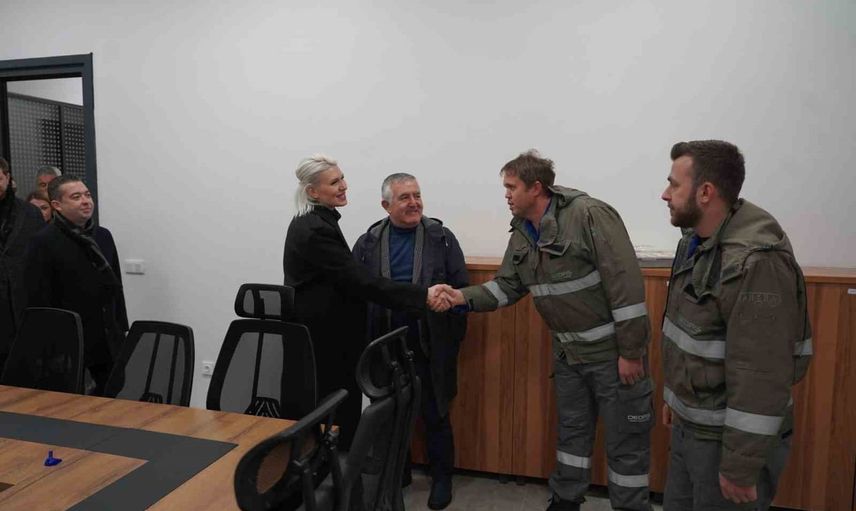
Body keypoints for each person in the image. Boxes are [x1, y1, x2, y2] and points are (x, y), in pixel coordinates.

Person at [439, 150, 652, 511]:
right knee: (572, 434)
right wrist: (460, 297)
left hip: (613, 356)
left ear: (536, 188)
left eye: (512, 187)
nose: (506, 195)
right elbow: (507, 287)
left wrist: (631, 353)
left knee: (625, 441)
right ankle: (566, 500)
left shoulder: (589, 215)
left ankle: (630, 506)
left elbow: (625, 287)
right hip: (569, 358)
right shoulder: (523, 231)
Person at [658, 140, 812, 510]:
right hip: (692, 425)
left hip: (724, 440)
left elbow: (761, 374)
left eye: (674, 184)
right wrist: (675, 397)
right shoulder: (696, 241)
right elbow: (689, 334)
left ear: (705, 192)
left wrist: (740, 466)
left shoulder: (756, 263)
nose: (665, 194)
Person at [282, 154, 450, 450]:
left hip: (331, 342)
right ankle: (339, 475)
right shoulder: (315, 229)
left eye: (342, 178)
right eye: (334, 182)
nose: (344, 186)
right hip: (326, 347)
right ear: (312, 191)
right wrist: (422, 295)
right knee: (334, 418)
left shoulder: (318, 221)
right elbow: (361, 281)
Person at [353, 173, 468, 510]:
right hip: (384, 344)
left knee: (436, 413)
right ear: (386, 205)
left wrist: (451, 340)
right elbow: (355, 290)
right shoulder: (367, 243)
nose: (414, 203)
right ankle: (396, 474)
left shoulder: (441, 238)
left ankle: (442, 478)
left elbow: (461, 290)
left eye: (417, 195)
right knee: (387, 415)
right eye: (405, 197)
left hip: (429, 344)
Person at [25, 175, 128, 395]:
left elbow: (115, 286)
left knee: (112, 399)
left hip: (106, 338)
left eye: (87, 195)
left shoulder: (103, 236)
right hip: (69, 341)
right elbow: (39, 300)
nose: (86, 201)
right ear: (57, 205)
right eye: (76, 197)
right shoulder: (43, 242)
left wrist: (121, 328)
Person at [0, 157, 46, 370]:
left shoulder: (30, 212)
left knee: (23, 370)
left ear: (7, 177)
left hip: (23, 302)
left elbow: (41, 256)